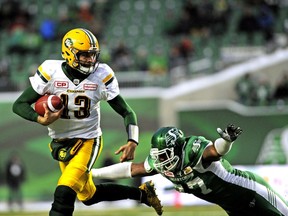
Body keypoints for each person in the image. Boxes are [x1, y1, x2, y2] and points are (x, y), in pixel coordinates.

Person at [12, 28, 163, 216]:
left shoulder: (102, 74)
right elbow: (19, 104)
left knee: (64, 191)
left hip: (88, 141)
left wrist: (133, 141)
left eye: (92, 55)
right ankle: (143, 194)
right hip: (60, 142)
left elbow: (127, 111)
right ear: (69, 52)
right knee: (88, 196)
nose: (90, 60)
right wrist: (39, 118)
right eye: (84, 55)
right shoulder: (51, 71)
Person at [92, 124, 288, 216]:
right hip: (231, 206)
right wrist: (93, 173)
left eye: (164, 154)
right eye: (158, 155)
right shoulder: (162, 162)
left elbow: (215, 151)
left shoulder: (193, 151)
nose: (160, 160)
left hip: (251, 191)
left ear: (178, 148)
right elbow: (132, 169)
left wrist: (226, 141)